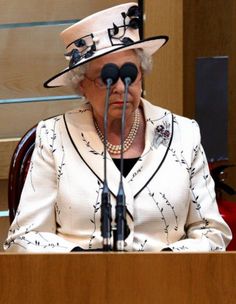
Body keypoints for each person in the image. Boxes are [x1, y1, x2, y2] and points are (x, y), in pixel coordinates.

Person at [4, 2, 232, 252]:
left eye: (129, 75)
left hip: (167, 285)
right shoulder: (54, 137)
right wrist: (80, 262)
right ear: (82, 85)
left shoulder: (184, 133)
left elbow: (212, 231)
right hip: (78, 285)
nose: (121, 88)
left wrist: (168, 264)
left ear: (142, 75)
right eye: (107, 78)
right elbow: (25, 237)